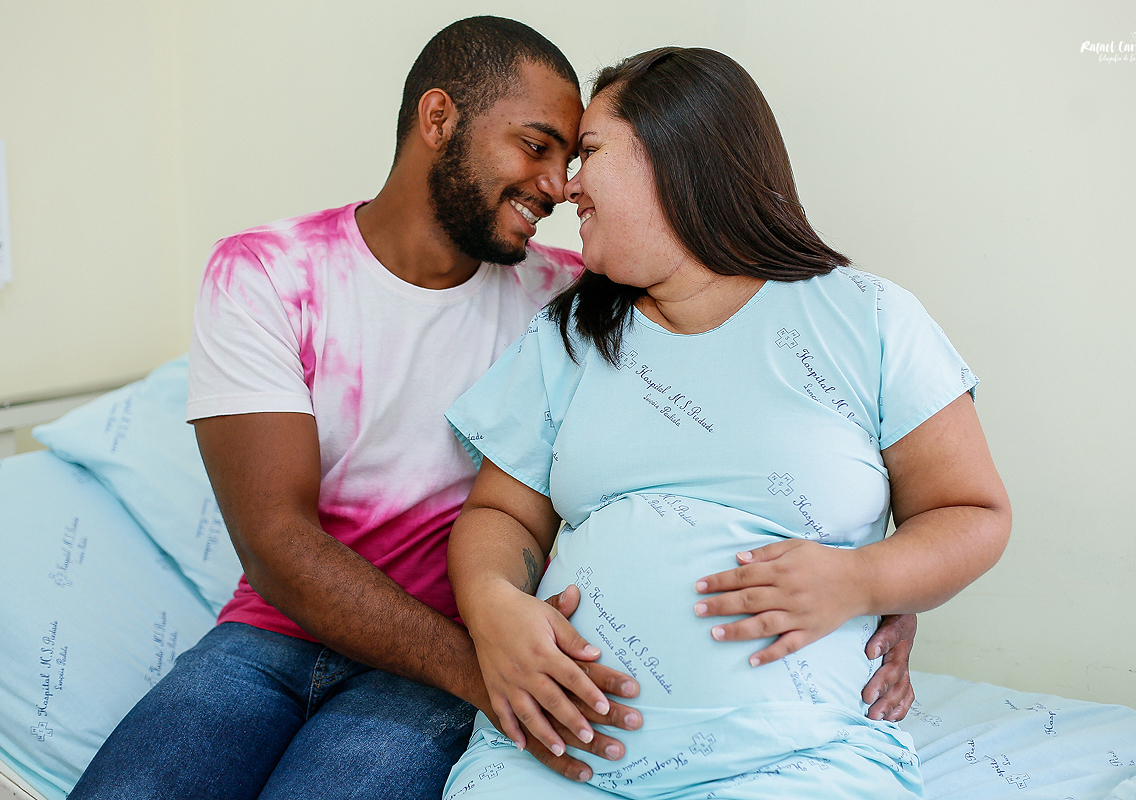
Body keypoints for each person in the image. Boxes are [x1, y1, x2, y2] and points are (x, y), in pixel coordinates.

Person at [69, 19, 917, 800]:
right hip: (286, 638)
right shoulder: (267, 275)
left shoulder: (577, 301)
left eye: (574, 156)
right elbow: (276, 543)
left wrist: (881, 583)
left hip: (450, 653)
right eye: (536, 146)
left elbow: (743, 390)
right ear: (439, 118)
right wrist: (490, 670)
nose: (558, 185)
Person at [441, 47, 1011, 800]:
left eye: (591, 152)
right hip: (553, 755)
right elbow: (501, 514)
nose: (569, 185)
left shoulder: (868, 319)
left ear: (677, 156)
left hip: (797, 760)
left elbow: (971, 513)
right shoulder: (568, 336)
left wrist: (861, 580)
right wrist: (491, 606)